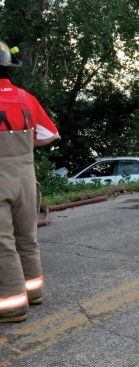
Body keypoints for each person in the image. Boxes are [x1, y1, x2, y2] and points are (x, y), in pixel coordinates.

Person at [0, 41, 60, 323]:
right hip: (25, 177)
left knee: (2, 244)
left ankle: (12, 307)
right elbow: (50, 134)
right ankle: (33, 293)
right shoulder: (25, 98)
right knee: (26, 237)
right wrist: (23, 146)